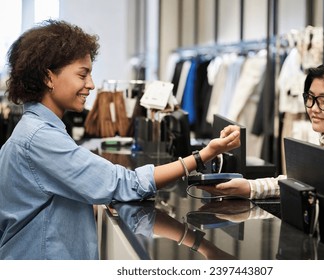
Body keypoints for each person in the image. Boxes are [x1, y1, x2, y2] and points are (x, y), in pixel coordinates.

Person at [0, 19, 240, 260]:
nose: (91, 85)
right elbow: (125, 183)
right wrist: (204, 154)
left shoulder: (37, 131)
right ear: (48, 77)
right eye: (83, 74)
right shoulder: (39, 138)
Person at [202, 57, 324, 242]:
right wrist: (249, 187)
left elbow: (309, 183)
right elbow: (302, 182)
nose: (313, 108)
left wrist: (250, 188)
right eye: (310, 98)